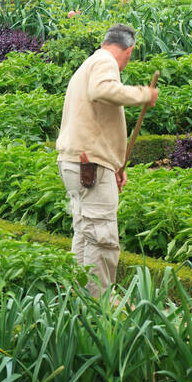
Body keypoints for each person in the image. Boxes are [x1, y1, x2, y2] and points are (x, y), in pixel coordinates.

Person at [54, 23, 159, 298]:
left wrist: (113, 166)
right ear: (129, 50)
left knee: (86, 235)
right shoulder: (105, 62)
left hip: (82, 164)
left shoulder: (91, 62)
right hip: (88, 166)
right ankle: (100, 310)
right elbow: (102, 90)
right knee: (102, 240)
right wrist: (143, 94)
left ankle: (80, 303)